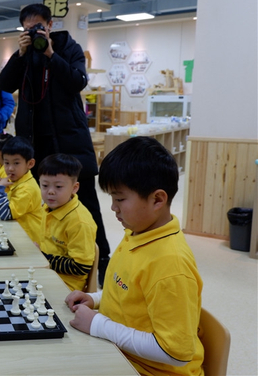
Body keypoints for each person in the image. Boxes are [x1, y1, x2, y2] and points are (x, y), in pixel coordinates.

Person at [65, 136, 204, 376]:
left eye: (120, 199)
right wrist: (95, 299)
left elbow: (176, 353)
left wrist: (98, 324)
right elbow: (130, 291)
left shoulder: (170, 264)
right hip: (120, 355)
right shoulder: (137, 232)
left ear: (157, 199)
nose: (113, 207)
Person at [0, 3, 111, 287]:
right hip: (36, 146)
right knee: (45, 205)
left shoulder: (68, 48)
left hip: (70, 143)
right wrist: (20, 55)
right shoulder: (23, 54)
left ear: (50, 25)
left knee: (87, 207)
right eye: (27, 28)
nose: (33, 32)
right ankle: (50, 259)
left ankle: (103, 266)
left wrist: (50, 54)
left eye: (37, 26)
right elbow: (4, 85)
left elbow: (77, 82)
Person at [38, 154, 96, 291]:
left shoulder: (79, 222)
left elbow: (81, 267)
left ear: (74, 188)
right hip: (47, 273)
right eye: (45, 185)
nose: (50, 192)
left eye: (58, 186)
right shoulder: (48, 207)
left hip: (66, 286)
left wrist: (43, 258)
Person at [0, 136, 43, 245]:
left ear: (30, 164)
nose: (10, 168)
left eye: (16, 163)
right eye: (6, 163)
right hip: (17, 233)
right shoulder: (17, 179)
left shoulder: (27, 189)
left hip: (28, 242)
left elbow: (5, 214)